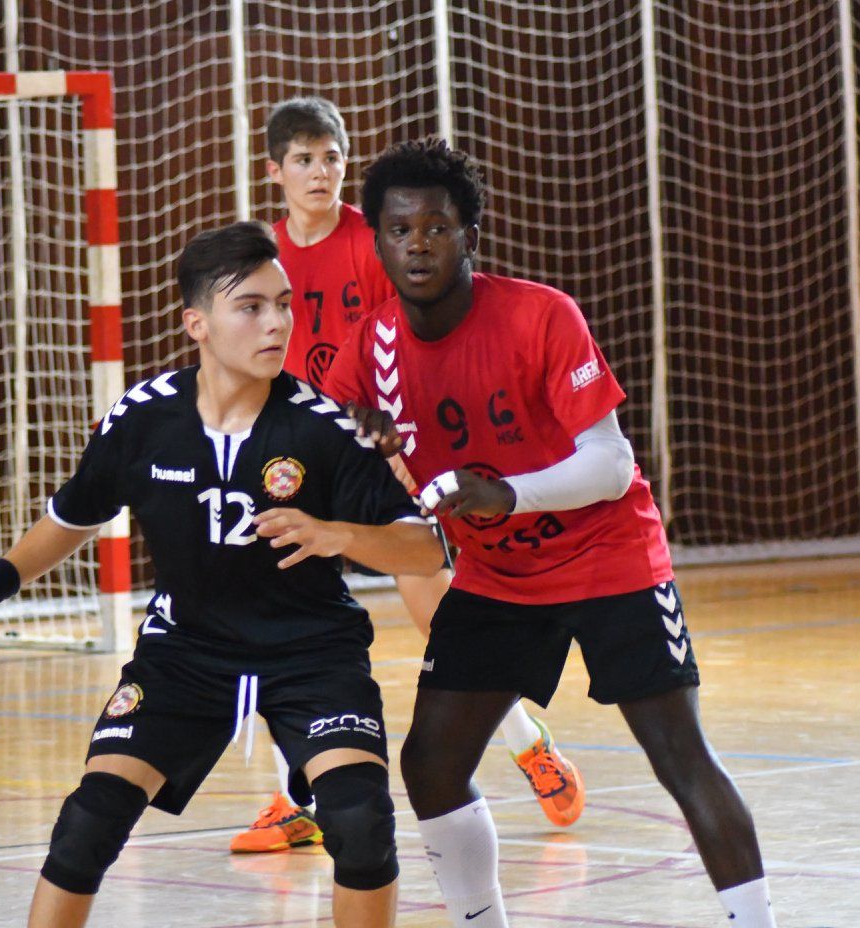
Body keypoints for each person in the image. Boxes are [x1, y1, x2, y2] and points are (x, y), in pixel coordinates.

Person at [0, 221, 444, 928]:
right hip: (186, 653)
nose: (277, 323)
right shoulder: (143, 419)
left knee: (360, 819)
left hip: (312, 655)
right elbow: (71, 518)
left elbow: (425, 550)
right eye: (250, 306)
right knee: (86, 824)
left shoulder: (324, 428)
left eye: (283, 304)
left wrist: (338, 534)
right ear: (197, 323)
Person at [323, 140, 778, 928]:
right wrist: (351, 438)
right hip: (499, 579)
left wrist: (506, 495)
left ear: (471, 235)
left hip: (610, 559)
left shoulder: (541, 314)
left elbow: (611, 464)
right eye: (399, 230)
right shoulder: (372, 349)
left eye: (437, 227)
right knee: (430, 764)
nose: (418, 245)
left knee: (679, 756)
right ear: (379, 244)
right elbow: (319, 452)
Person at [227, 97, 585, 856]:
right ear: (275, 172)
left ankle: (527, 743)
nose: (320, 172)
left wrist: (402, 439)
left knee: (438, 611)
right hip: (301, 451)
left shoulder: (377, 238)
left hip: (383, 441)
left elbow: (417, 334)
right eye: (304, 160)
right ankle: (295, 798)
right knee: (284, 620)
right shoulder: (264, 254)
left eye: (331, 157)